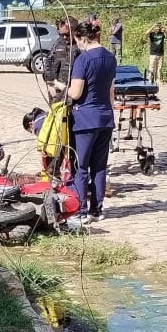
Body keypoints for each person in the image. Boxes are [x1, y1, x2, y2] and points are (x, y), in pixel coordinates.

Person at [64, 21, 116, 223]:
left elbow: (76, 93)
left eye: (77, 41)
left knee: (81, 165)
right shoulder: (110, 57)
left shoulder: (83, 59)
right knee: (100, 166)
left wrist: (62, 86)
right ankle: (97, 209)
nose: (77, 45)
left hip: (85, 119)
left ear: (83, 38)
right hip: (105, 117)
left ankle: (80, 211)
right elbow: (111, 90)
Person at [43, 16, 80, 103]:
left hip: (72, 92)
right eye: (61, 34)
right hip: (56, 91)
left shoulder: (81, 45)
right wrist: (50, 83)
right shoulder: (58, 43)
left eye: (67, 35)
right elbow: (48, 61)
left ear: (75, 31)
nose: (63, 37)